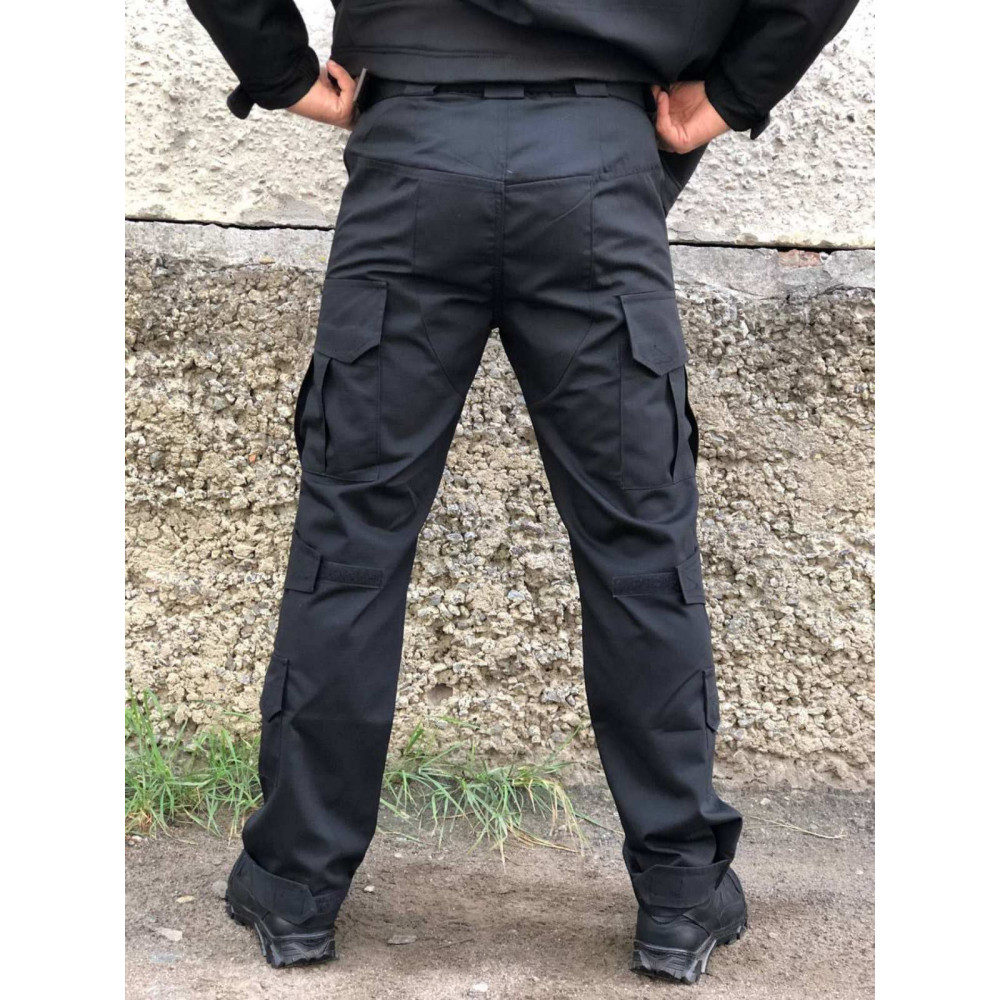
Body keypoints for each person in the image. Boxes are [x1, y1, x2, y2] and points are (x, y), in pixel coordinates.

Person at [186, 0, 859, 981]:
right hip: (597, 163)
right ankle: (679, 893)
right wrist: (726, 94)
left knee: (352, 542)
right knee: (638, 549)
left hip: (413, 157)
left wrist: (281, 70)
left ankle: (294, 885)